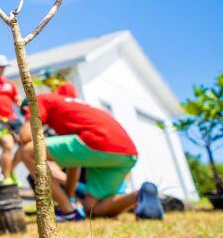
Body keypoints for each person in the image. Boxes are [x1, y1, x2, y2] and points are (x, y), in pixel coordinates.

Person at [19, 93, 164, 220]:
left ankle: (68, 211)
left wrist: (28, 120)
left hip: (98, 141)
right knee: (91, 208)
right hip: (126, 153)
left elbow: (25, 137)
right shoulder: (70, 106)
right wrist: (72, 198)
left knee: (27, 151)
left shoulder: (39, 100)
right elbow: (73, 163)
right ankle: (139, 195)